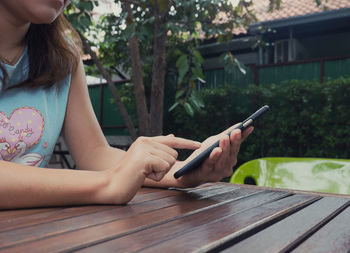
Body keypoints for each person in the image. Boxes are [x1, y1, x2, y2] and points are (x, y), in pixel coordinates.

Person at [0, 0, 253, 209]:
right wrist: (108, 184)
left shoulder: (64, 56)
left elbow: (96, 155)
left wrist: (184, 173)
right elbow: (110, 178)